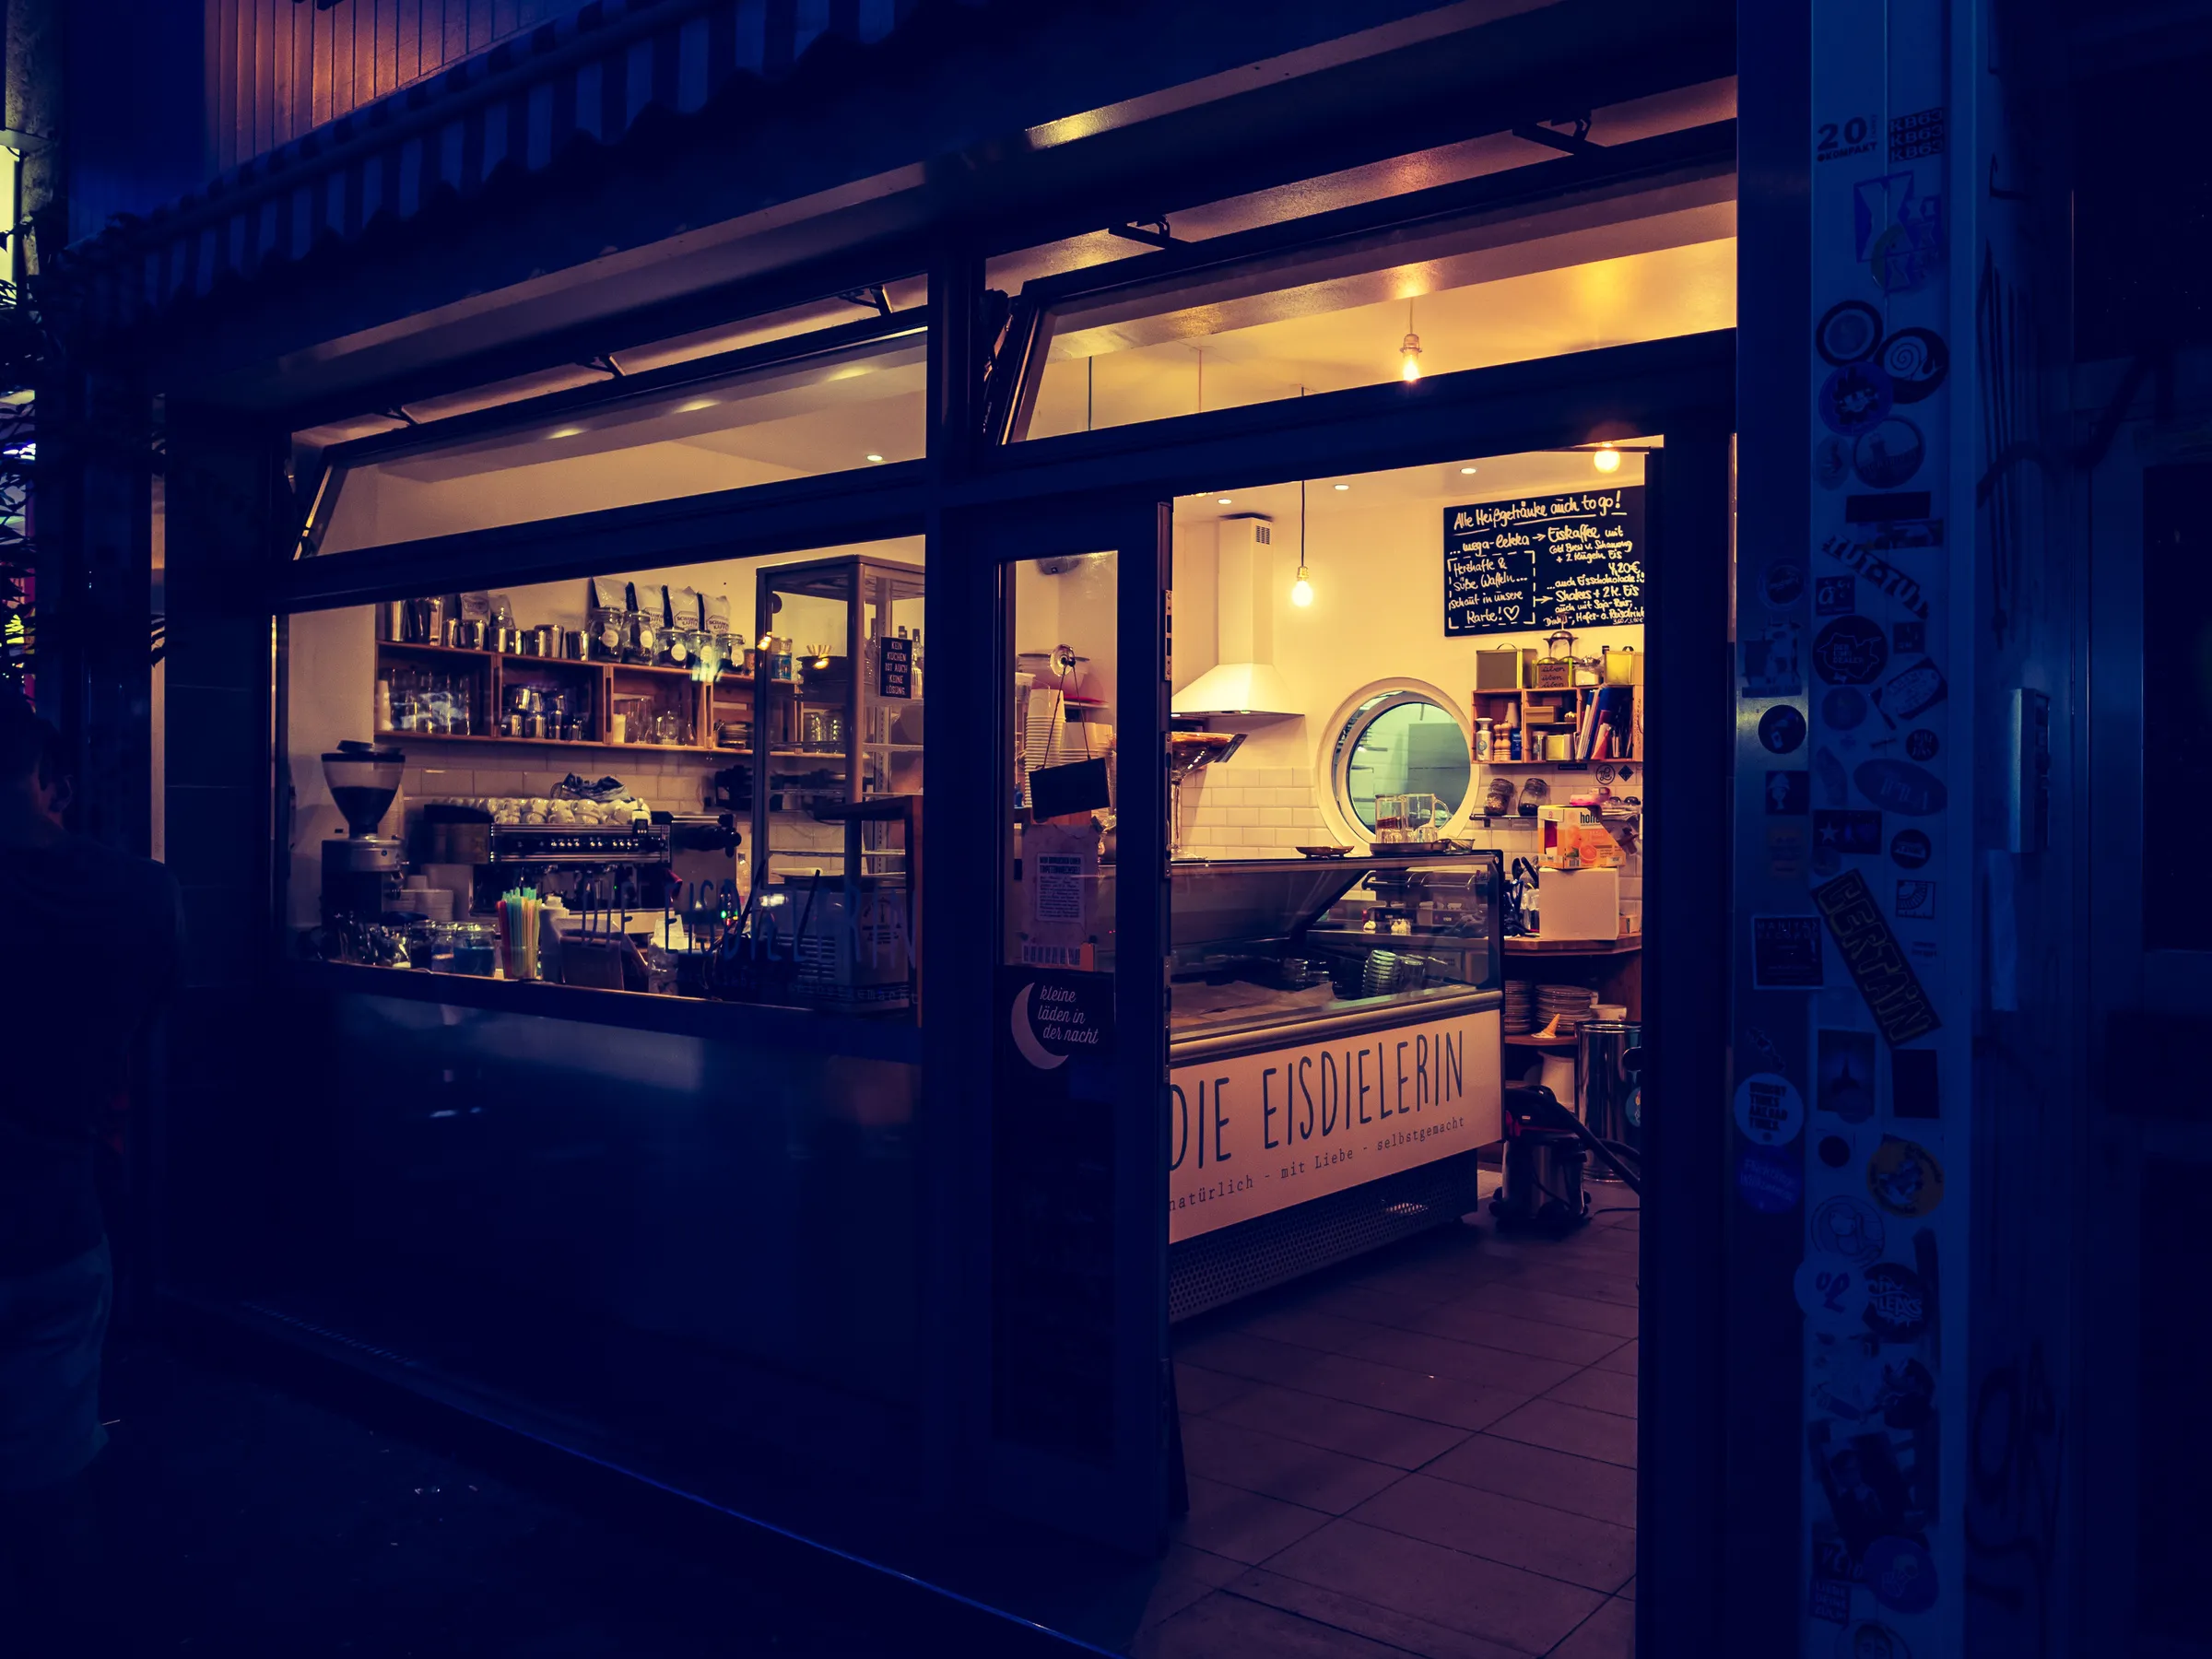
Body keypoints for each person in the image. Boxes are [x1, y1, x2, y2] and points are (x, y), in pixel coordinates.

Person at [0, 695, 183, 1639]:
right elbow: (142, 1023)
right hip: (55, 1223)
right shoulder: (143, 898)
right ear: (53, 782)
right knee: (51, 1496)